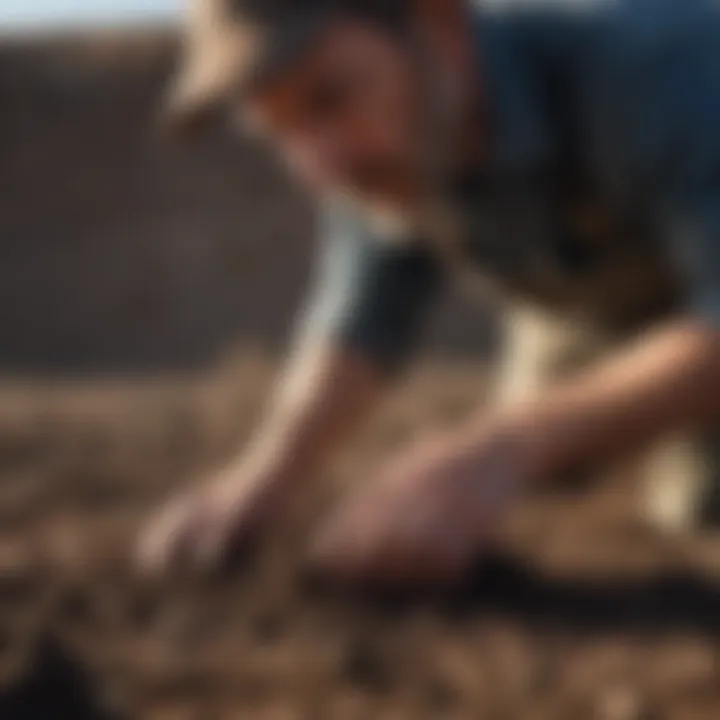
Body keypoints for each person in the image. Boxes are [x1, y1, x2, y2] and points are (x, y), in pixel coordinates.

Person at [138, 0, 720, 587]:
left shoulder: (654, 69)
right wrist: (263, 479)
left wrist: (504, 447)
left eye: (329, 99)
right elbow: (362, 320)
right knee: (535, 473)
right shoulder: (400, 139)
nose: (322, 167)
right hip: (615, 287)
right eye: (281, 131)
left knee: (699, 503)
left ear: (440, 22)